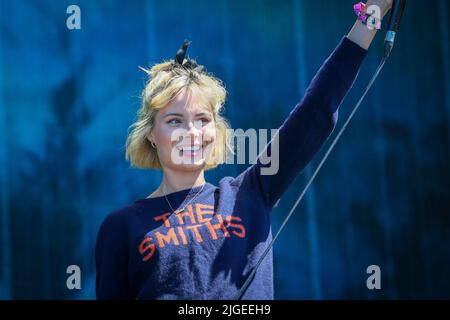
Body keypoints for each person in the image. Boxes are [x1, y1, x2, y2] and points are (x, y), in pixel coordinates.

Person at [96, 0, 393, 300]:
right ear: (150, 135)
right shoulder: (121, 227)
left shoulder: (248, 193)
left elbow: (315, 111)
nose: (192, 133)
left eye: (202, 119)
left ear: (216, 130)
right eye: (175, 121)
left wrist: (373, 13)